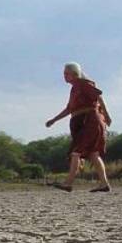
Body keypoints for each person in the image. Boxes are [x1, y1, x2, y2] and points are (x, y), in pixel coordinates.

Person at [45, 62, 112, 192]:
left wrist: (107, 115)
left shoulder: (84, 84)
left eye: (66, 73)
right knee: (93, 154)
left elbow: (98, 96)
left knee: (76, 152)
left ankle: (68, 183)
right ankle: (104, 184)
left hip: (90, 121)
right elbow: (69, 109)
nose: (64, 76)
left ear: (74, 74)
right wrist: (54, 120)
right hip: (80, 122)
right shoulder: (74, 89)